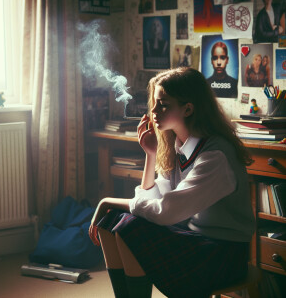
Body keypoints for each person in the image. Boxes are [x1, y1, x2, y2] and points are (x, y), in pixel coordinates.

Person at [89, 67, 255, 298]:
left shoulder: (215, 156)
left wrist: (109, 200)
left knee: (129, 225)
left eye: (163, 104)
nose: (154, 110)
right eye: (155, 103)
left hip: (223, 254)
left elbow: (165, 212)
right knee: (112, 221)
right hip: (195, 238)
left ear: (188, 109)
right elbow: (153, 201)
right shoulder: (179, 146)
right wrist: (150, 154)